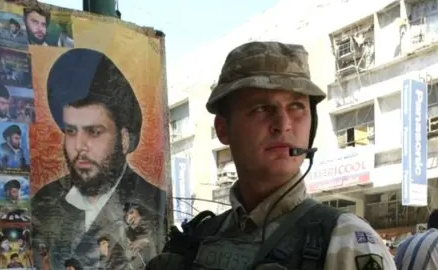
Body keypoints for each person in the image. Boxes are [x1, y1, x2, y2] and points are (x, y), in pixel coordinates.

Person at [146, 41, 395, 269]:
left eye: (296, 106)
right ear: (223, 130)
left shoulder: (346, 241)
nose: (283, 124)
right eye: (261, 108)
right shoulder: (200, 239)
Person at [31, 48, 167, 270]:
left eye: (94, 132)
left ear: (123, 139)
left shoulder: (153, 203)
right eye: (71, 131)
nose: (79, 146)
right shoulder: (44, 202)